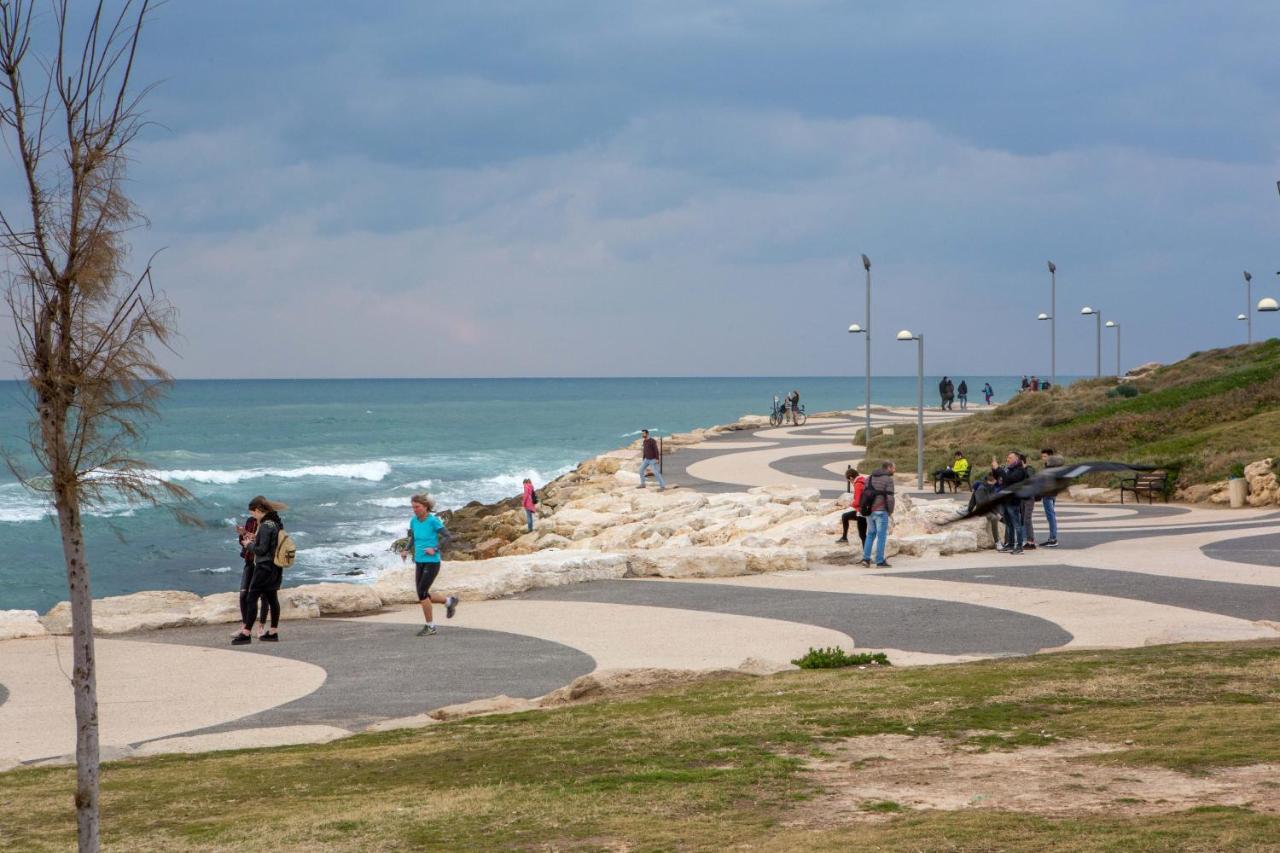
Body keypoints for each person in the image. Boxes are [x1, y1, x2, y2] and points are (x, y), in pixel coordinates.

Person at [232, 496, 287, 645]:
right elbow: (269, 545)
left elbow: (261, 550)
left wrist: (248, 544)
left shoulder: (265, 526)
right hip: (276, 567)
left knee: (251, 598)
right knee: (272, 598)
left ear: (258, 510)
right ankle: (273, 632)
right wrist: (253, 538)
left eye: (253, 513)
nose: (252, 516)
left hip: (263, 568)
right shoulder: (275, 523)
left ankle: (246, 633)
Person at [402, 493, 458, 637]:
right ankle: (449, 601)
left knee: (422, 593)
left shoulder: (433, 521)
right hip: (419, 561)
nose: (414, 510)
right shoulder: (413, 521)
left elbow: (448, 537)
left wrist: (435, 548)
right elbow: (413, 538)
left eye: (417, 507)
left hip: (432, 562)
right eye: (413, 507)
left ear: (426, 507)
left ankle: (430, 626)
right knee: (422, 594)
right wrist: (406, 549)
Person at [234, 513, 269, 639]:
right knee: (243, 594)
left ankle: (261, 627)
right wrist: (243, 534)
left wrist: (253, 538)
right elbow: (243, 542)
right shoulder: (250, 521)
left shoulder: (268, 524)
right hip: (249, 562)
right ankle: (245, 626)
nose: (252, 513)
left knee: (264, 596)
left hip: (263, 564)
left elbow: (267, 544)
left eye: (253, 510)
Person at [859, 461, 896, 568]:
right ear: (888, 468)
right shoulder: (888, 480)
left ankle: (866, 559)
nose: (894, 470)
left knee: (870, 534)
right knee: (881, 536)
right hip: (881, 510)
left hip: (869, 511)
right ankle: (880, 561)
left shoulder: (869, 478)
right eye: (894, 468)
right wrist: (890, 511)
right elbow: (890, 498)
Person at [991, 452, 1028, 554]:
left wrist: (999, 469)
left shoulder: (1020, 470)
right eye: (1007, 457)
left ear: (1016, 459)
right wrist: (994, 469)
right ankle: (1010, 544)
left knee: (1016, 524)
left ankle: (1019, 546)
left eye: (1010, 458)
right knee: (1009, 524)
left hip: (1013, 500)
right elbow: (998, 478)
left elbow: (1009, 479)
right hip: (1005, 499)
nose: (1008, 459)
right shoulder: (1009, 469)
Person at [968, 471, 1001, 548]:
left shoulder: (991, 487)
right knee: (994, 517)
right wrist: (996, 513)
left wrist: (998, 512)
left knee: (1005, 517)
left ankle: (1008, 542)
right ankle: (997, 542)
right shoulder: (981, 488)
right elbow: (981, 504)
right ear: (994, 480)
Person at [836, 467, 868, 546]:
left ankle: (866, 555)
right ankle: (844, 537)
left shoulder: (858, 484)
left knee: (862, 535)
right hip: (867, 509)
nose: (850, 482)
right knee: (845, 516)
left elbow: (857, 502)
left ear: (851, 477)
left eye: (849, 481)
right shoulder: (864, 481)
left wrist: (850, 505)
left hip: (862, 512)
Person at [1039, 448, 1064, 547]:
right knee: (1051, 516)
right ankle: (1052, 538)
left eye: (1045, 456)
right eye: (1042, 456)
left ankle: (1053, 539)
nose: (1043, 458)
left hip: (1048, 494)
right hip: (1050, 494)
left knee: (1051, 516)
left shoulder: (1051, 467)